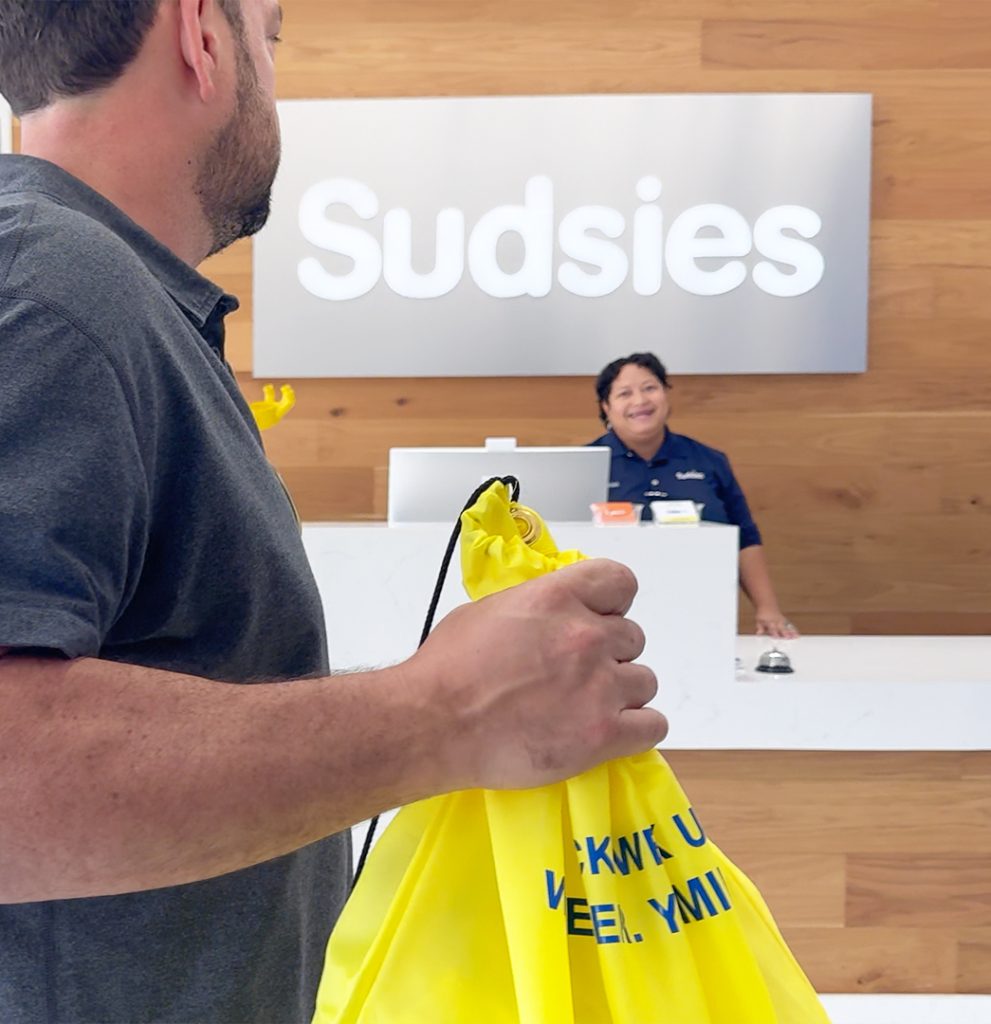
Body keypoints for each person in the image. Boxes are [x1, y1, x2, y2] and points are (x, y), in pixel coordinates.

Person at [0, 3, 668, 1022]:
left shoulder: (97, 298)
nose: (274, 79)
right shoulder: (55, 294)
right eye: (269, 38)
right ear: (201, 35)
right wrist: (446, 710)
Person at [590, 352, 798, 640]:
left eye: (650, 388)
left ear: (666, 394)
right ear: (606, 406)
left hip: (702, 614)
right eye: (624, 393)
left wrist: (768, 608)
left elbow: (745, 539)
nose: (640, 401)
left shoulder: (709, 461)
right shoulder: (587, 465)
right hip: (609, 619)